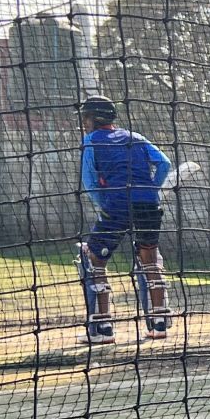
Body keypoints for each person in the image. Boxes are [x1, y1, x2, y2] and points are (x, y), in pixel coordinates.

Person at [77, 95, 173, 344]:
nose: (84, 122)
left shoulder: (90, 141)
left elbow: (89, 182)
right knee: (150, 260)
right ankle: (159, 324)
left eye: (85, 117)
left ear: (93, 118)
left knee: (94, 259)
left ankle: (103, 329)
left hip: (118, 204)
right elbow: (164, 163)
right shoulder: (137, 137)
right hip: (148, 206)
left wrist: (104, 205)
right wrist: (151, 190)